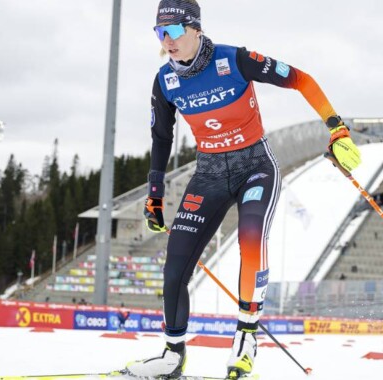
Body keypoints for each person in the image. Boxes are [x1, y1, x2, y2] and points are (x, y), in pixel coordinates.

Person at [127, 1, 362, 378]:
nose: (165, 41)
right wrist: (154, 195)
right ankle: (173, 353)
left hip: (255, 166)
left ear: (195, 29)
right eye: (159, 33)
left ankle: (246, 338)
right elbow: (160, 138)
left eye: (172, 31)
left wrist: (337, 128)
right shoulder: (165, 80)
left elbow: (302, 79)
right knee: (174, 268)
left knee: (251, 240)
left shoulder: (234, 59)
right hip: (209, 174)